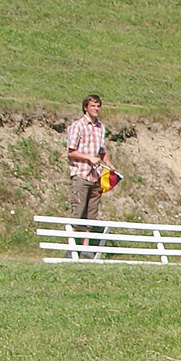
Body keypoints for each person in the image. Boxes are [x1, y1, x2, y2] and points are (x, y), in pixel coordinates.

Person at [65, 94, 111, 248]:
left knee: (91, 215)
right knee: (77, 212)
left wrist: (109, 164)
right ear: (86, 107)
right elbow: (71, 152)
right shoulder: (77, 126)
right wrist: (88, 158)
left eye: (98, 106)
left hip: (96, 176)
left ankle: (86, 248)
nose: (96, 109)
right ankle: (72, 247)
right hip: (81, 174)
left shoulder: (101, 128)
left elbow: (102, 151)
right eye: (93, 106)